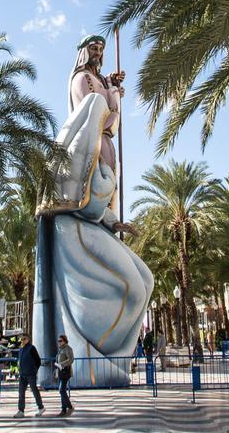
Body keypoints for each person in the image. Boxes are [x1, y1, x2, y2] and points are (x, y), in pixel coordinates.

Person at [33, 35, 154, 387]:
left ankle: (109, 361)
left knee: (145, 281)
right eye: (94, 48)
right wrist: (111, 100)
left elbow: (112, 123)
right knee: (133, 285)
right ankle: (90, 359)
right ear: (84, 51)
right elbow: (104, 121)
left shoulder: (100, 109)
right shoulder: (81, 90)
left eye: (103, 48)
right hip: (75, 231)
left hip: (94, 223)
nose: (99, 53)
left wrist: (113, 93)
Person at [14, 333, 45, 419]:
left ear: (28, 339)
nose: (22, 341)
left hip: (30, 374)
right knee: (21, 392)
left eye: (24, 339)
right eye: (21, 339)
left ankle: (41, 407)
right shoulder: (21, 349)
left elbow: (37, 360)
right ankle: (21, 410)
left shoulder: (32, 348)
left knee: (34, 390)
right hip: (22, 374)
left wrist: (34, 370)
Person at [55, 334, 75, 417]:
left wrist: (62, 364)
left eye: (60, 341)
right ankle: (63, 410)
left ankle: (69, 407)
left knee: (61, 390)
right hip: (60, 372)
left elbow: (71, 359)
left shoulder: (68, 349)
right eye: (58, 341)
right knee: (62, 391)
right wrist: (57, 371)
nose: (59, 342)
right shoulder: (60, 350)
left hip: (65, 372)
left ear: (65, 341)